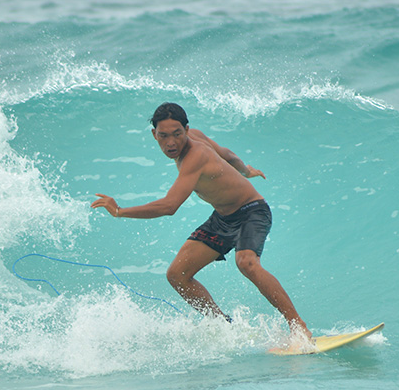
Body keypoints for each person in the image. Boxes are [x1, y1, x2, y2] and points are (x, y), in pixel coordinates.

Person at [90, 102, 312, 341]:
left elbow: (170, 206)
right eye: (163, 136)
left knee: (246, 263)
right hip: (223, 217)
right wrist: (245, 170)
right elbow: (227, 155)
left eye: (177, 134)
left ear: (187, 129)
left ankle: (299, 328)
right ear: (154, 134)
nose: (171, 142)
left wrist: (120, 211)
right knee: (177, 274)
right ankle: (223, 326)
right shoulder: (192, 139)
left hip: (252, 211)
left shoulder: (194, 156)